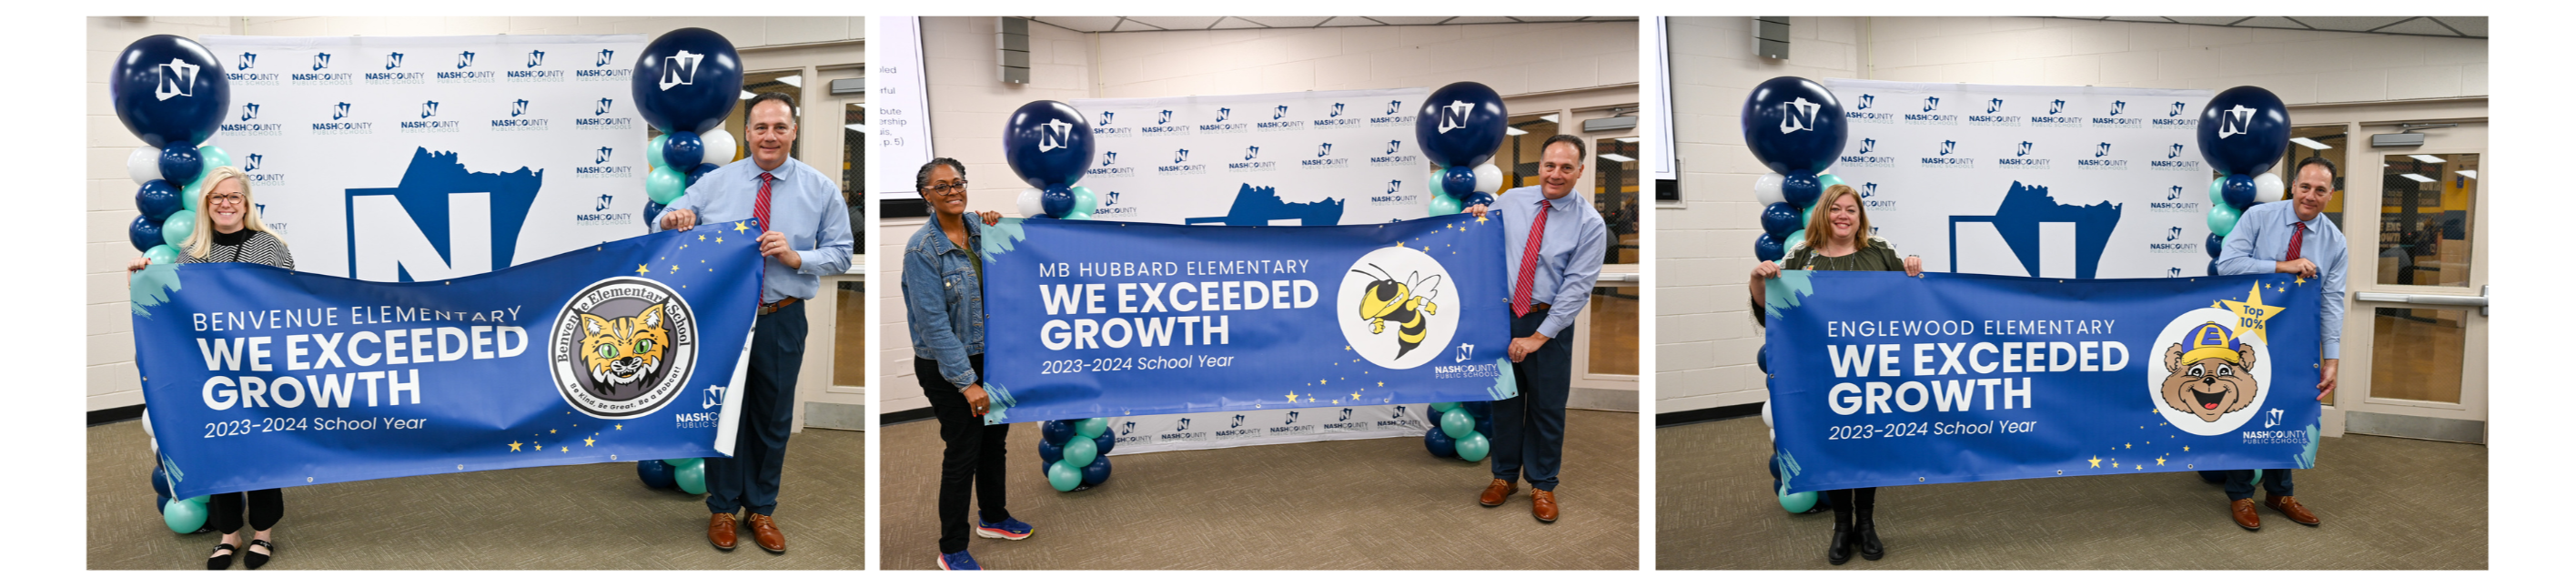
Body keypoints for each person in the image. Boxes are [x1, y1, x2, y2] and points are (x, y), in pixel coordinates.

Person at [654, 92, 854, 554]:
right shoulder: (717, 184)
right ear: (747, 133)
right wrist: (675, 217)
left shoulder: (819, 188)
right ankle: (723, 507)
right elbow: (663, 221)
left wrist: (797, 256)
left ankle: (761, 509)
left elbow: (842, 253)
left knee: (772, 417)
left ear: (793, 132)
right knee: (723, 414)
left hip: (781, 319)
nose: (769, 135)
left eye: (779, 127)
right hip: (723, 321)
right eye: (761, 127)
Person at [126, 167, 295, 570]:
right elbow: (175, 306)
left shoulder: (269, 247)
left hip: (258, 369)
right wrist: (145, 279)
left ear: (246, 203)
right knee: (218, 447)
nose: (225, 204)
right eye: (217, 197)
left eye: (234, 196)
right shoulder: (193, 251)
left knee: (259, 448)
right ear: (206, 204)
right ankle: (228, 535)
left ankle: (263, 535)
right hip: (211, 371)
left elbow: (291, 305)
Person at [1748, 182, 1924, 565]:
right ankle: (1842, 527)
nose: (1843, 216)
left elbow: (1914, 302)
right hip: (1821, 371)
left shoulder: (1880, 251)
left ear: (1860, 216)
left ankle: (1867, 524)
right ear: (1823, 213)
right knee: (1835, 443)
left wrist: (1912, 271)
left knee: (1867, 443)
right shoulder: (1802, 255)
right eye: (1835, 209)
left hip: (1874, 371)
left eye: (1851, 210)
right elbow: (1769, 313)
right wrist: (1758, 281)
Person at [1460, 135, 1606, 524]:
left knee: (1546, 407)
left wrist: (1539, 337)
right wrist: (1474, 218)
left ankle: (1543, 484)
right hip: (1502, 317)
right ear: (1539, 166)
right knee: (1504, 402)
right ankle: (1504, 478)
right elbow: (1483, 238)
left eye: (1566, 167)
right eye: (1549, 165)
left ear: (1580, 171)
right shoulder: (1511, 201)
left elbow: (1577, 287)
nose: (1555, 174)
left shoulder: (1589, 223)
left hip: (1547, 322)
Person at [2211, 156, 2348, 531]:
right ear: (2293, 187)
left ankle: (2279, 492)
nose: (2311, 195)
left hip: (2296, 343)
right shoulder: (2259, 218)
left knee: (2288, 413)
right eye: (2305, 187)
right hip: (2247, 335)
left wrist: (2331, 358)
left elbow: (2332, 301)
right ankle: (2240, 495)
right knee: (2245, 406)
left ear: (2330, 195)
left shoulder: (2335, 242)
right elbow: (2228, 264)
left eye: (2321, 190)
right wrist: (2281, 266)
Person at [901, 158, 1025, 571]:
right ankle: (952, 547)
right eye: (941, 187)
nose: (953, 191)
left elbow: (1015, 274)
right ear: (926, 195)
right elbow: (933, 326)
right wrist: (966, 382)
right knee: (963, 452)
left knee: (995, 444)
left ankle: (993, 517)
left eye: (958, 183)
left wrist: (1001, 226)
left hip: (994, 359)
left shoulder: (984, 230)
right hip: (948, 365)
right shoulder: (922, 249)